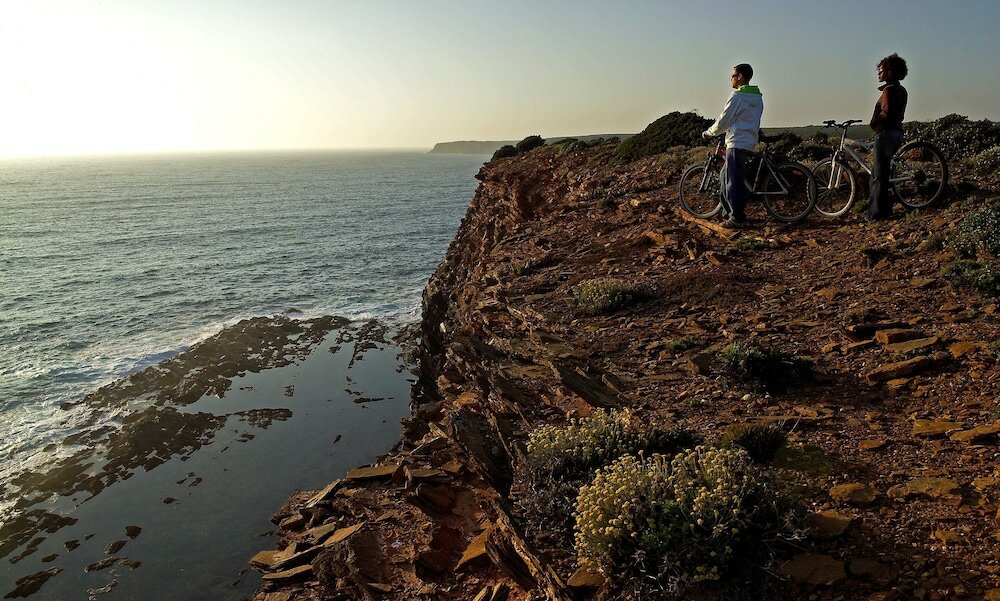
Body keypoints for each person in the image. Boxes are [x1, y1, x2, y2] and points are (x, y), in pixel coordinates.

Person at [702, 63, 764, 228]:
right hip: (749, 139)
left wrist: (709, 132)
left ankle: (737, 218)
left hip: (736, 141)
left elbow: (724, 120)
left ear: (741, 77)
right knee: (725, 176)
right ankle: (727, 212)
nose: (731, 79)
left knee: (733, 181)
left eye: (733, 76)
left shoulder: (737, 96)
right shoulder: (757, 97)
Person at [867, 53, 908, 221]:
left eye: (881, 70)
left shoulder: (888, 91)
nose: (878, 72)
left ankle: (876, 215)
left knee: (878, 176)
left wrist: (875, 123)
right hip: (897, 132)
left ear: (890, 71)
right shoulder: (901, 90)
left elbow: (887, 112)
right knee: (882, 175)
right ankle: (885, 210)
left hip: (885, 134)